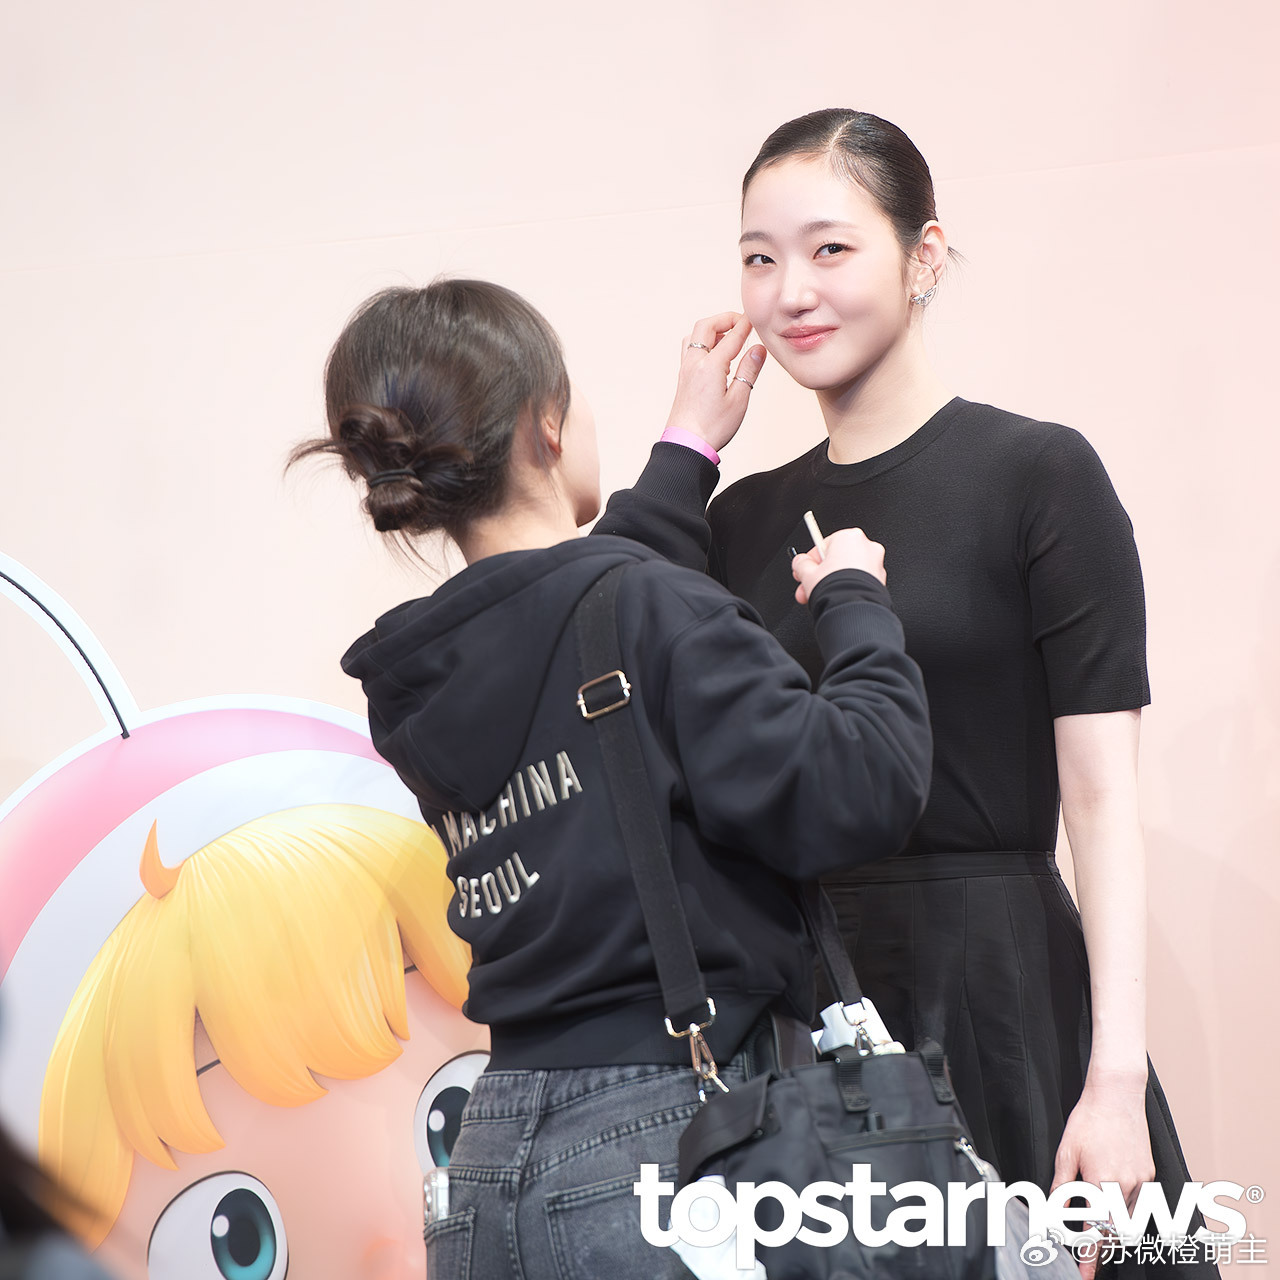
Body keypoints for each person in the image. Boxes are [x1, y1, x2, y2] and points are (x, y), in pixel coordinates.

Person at [653, 108, 1214, 1278]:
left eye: (828, 248)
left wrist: (1112, 1078)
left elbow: (1099, 799)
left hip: (1002, 990)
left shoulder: (1036, 473)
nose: (789, 291)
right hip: (805, 1005)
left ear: (922, 256)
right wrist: (686, 446)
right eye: (758, 258)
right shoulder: (740, 520)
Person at [301, 278, 933, 1278]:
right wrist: (856, 605)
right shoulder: (653, 611)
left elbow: (583, 621)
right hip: (664, 1140)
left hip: (487, 1165)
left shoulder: (424, 674)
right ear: (546, 424)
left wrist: (687, 448)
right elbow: (858, 785)